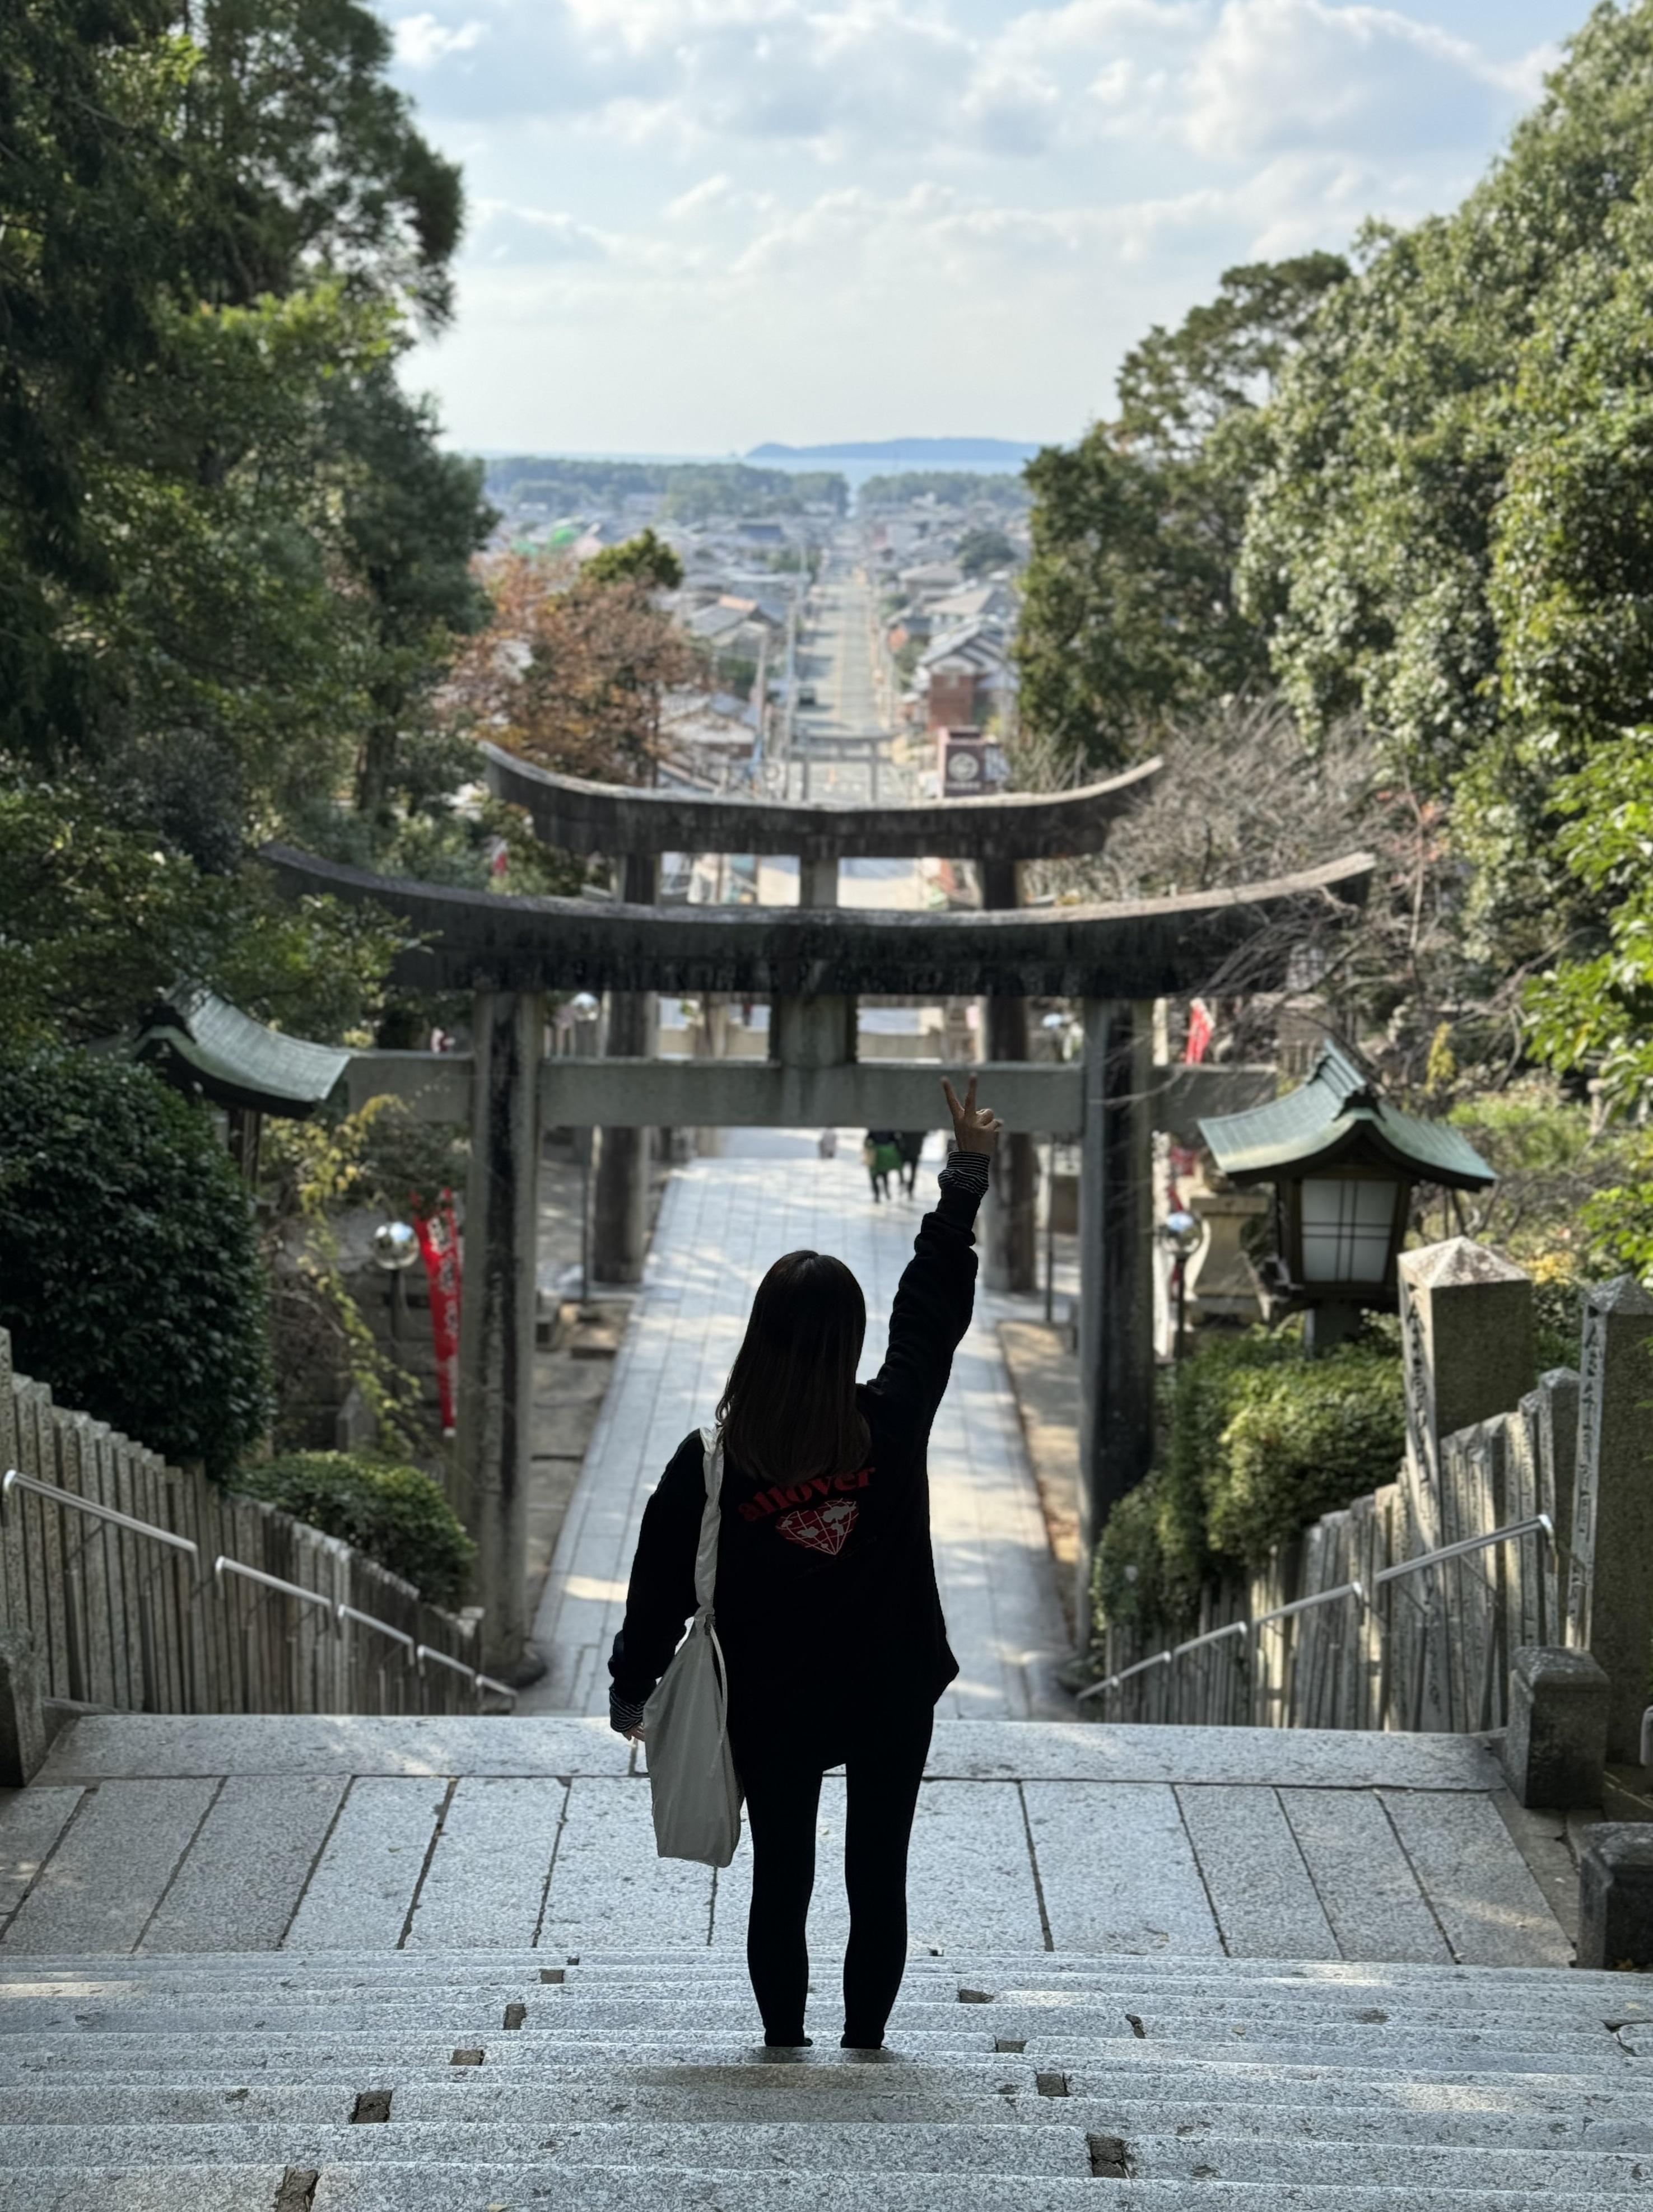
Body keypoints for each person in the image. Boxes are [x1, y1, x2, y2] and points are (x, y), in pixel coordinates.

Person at [608, 1074, 1002, 2055]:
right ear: (850, 1343)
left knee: (780, 1877)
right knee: (880, 1874)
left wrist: (631, 1689)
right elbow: (931, 1310)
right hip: (890, 1688)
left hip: (770, 1701)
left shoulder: (711, 1460)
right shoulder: (892, 1421)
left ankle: (783, 2047)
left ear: (759, 1338)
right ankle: (864, 2047)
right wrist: (964, 1178)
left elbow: (658, 1583)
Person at [862, 1128, 899, 1202]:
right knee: (884, 1176)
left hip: (875, 1156)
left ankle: (878, 1195)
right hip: (883, 1157)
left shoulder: (874, 1128)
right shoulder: (889, 1129)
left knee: (875, 1177)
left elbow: (867, 1141)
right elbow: (895, 1141)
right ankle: (885, 1193)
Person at [895, 1131, 926, 1199]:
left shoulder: (906, 1125)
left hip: (905, 1151)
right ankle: (909, 1188)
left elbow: (898, 1134)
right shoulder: (920, 1127)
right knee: (913, 1172)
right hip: (914, 1151)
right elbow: (925, 1133)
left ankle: (903, 1183)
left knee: (901, 1168)